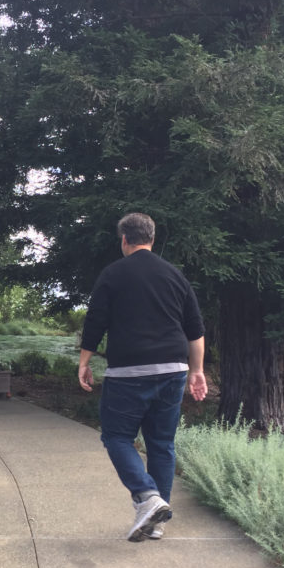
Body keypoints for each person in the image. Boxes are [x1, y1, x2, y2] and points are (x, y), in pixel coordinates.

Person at [78, 213, 207, 542]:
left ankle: (147, 498)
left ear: (124, 239)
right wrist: (197, 371)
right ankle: (157, 522)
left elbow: (95, 321)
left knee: (117, 437)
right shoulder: (175, 276)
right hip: (174, 370)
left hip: (129, 373)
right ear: (151, 238)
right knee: (162, 443)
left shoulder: (113, 274)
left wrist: (84, 361)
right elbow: (195, 330)